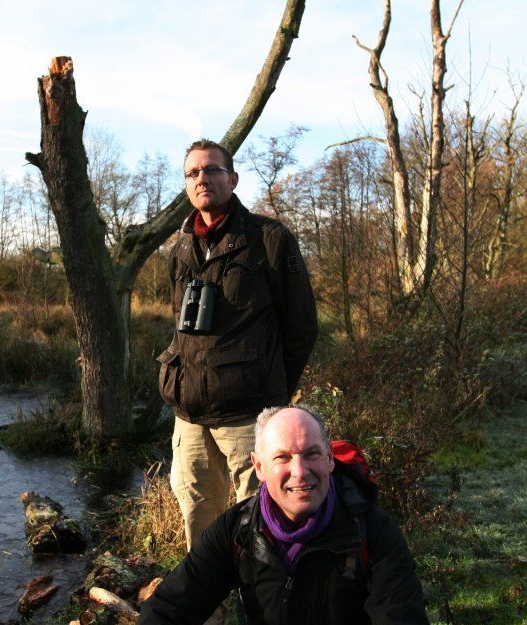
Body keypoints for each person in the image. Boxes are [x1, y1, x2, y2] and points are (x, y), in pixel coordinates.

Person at [157, 139, 319, 551]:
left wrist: (274, 394)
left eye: (212, 170)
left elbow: (301, 327)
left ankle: (262, 605)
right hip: (189, 415)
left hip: (250, 415)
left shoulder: (269, 238)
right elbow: (182, 329)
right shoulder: (180, 248)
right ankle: (209, 610)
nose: (202, 178)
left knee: (261, 522)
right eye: (193, 173)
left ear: (232, 178)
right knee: (199, 521)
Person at [139, 406, 430, 625]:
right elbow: (168, 609)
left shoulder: (372, 532)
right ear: (259, 467)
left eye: (312, 454)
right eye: (283, 458)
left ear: (330, 459)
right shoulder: (236, 532)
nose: (300, 471)